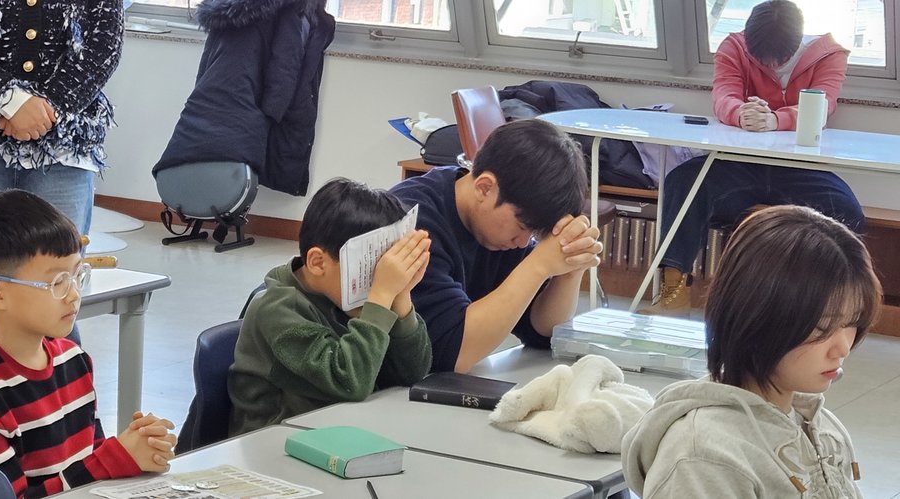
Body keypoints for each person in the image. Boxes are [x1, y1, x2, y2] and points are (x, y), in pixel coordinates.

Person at [0, 190, 175, 498]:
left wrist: (140, 451)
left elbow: (90, 465)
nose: (73, 295)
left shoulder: (72, 359)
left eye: (77, 275)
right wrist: (116, 458)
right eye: (57, 282)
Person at [622, 205, 877, 498]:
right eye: (822, 327)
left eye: (852, 322)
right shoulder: (704, 458)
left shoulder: (820, 425)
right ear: (757, 316)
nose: (843, 347)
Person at [0, 0, 122, 361]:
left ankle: (62, 392)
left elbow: (104, 43)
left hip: (64, 144)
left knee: (57, 285)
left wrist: (48, 109)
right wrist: (9, 100)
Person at [640, 0, 863, 316]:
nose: (771, 65)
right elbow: (723, 96)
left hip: (798, 167)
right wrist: (740, 112)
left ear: (796, 42)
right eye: (762, 59)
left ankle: (827, 305)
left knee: (847, 211)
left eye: (779, 59)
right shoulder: (734, 47)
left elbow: (824, 105)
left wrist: (775, 120)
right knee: (683, 182)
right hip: (737, 163)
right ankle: (673, 294)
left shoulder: (829, 55)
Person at [390, 119, 602, 374]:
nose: (524, 242)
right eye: (523, 227)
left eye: (535, 234)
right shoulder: (414, 223)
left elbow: (543, 332)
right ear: (485, 187)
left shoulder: (499, 228)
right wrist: (538, 265)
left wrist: (570, 267)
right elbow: (452, 353)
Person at [228, 178, 433, 436]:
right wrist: (380, 296)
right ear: (317, 262)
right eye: (369, 269)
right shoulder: (276, 308)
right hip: (277, 441)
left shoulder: (339, 296)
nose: (380, 280)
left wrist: (401, 297)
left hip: (338, 431)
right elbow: (349, 382)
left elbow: (412, 373)